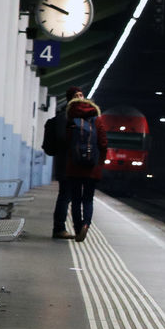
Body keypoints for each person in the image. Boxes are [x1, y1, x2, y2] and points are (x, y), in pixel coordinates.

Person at [63, 87, 108, 242]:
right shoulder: (97, 119)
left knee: (75, 199)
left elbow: (67, 143)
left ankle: (77, 229)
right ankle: (86, 225)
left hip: (74, 166)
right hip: (92, 167)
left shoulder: (70, 118)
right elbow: (103, 143)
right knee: (88, 199)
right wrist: (99, 164)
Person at [42, 88, 78, 239]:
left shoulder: (70, 118)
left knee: (67, 196)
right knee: (65, 196)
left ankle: (62, 227)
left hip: (69, 164)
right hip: (67, 164)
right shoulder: (65, 119)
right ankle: (59, 228)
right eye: (77, 96)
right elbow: (63, 139)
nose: (81, 99)